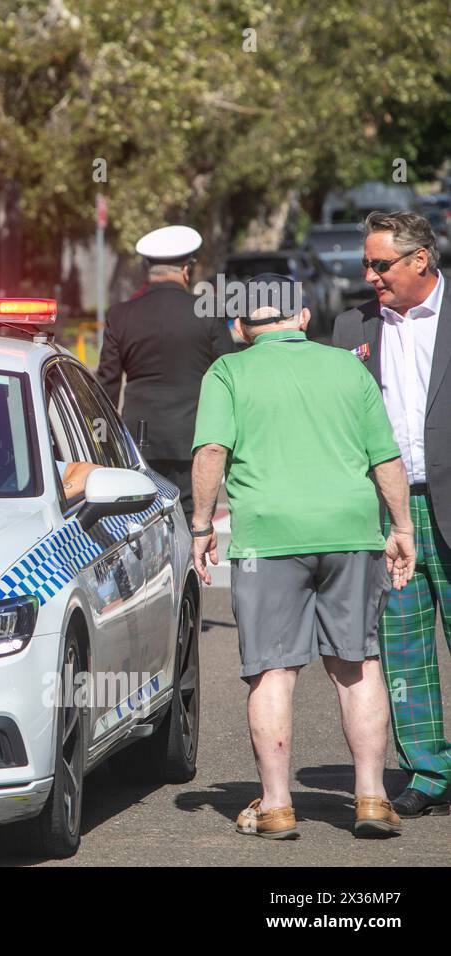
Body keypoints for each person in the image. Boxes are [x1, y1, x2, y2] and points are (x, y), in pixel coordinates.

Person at [190, 273, 416, 840]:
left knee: (272, 670)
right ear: (304, 318)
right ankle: (370, 798)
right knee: (358, 664)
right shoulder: (347, 366)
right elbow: (385, 456)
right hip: (351, 531)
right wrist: (402, 527)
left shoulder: (228, 371)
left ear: (239, 327)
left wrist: (200, 526)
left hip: (267, 540)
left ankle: (276, 805)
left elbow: (212, 450)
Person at [333, 210, 451, 818]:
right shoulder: (353, 324)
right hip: (389, 512)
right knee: (402, 647)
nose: (371, 276)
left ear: (420, 260)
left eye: (381, 265)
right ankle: (428, 772)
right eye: (367, 265)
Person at [97, 225, 233, 520]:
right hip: (194, 437)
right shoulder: (208, 311)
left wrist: (105, 440)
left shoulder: (120, 315)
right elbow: (229, 372)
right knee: (188, 517)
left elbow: (106, 384)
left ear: (147, 268)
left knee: (144, 518)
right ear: (186, 269)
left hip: (139, 440)